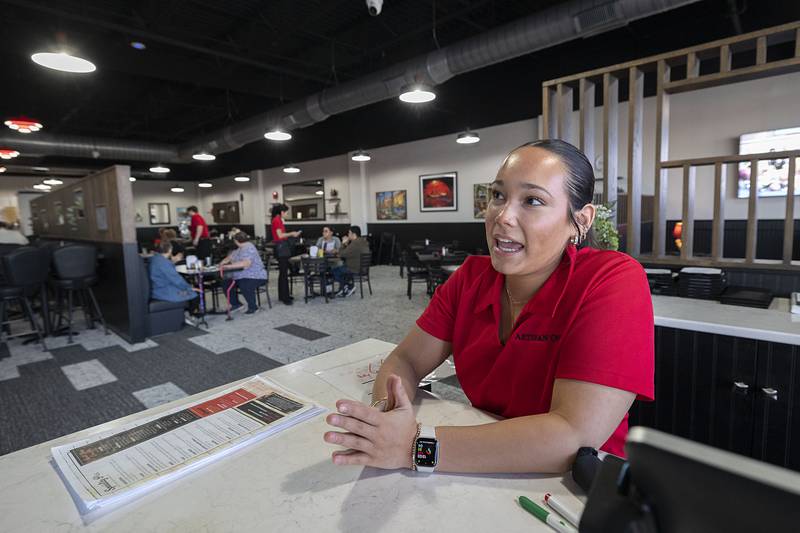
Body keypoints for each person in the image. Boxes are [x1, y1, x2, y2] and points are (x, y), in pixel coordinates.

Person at [324, 139, 654, 473]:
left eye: (533, 200)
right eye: (498, 195)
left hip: (575, 485)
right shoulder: (469, 279)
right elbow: (406, 360)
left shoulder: (612, 279)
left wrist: (414, 445)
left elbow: (574, 436)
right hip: (479, 470)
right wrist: (384, 417)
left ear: (580, 220)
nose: (503, 216)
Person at [148, 241, 201, 325]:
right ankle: (187, 315)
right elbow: (177, 280)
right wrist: (189, 288)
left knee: (192, 292)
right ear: (170, 250)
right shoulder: (164, 263)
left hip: (158, 290)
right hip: (166, 292)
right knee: (195, 295)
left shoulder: (156, 259)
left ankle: (186, 313)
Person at [220, 232, 268, 314]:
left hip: (256, 276)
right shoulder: (239, 249)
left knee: (244, 283)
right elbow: (230, 257)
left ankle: (253, 307)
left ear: (236, 241)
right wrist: (222, 263)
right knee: (225, 282)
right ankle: (236, 304)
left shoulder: (249, 248)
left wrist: (228, 266)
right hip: (241, 275)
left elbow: (246, 264)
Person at [271, 204, 301, 305]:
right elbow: (280, 235)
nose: (287, 214)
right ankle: (285, 298)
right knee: (284, 274)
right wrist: (292, 233)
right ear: (282, 212)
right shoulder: (277, 220)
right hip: (281, 248)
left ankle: (282, 295)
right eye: (287, 212)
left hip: (280, 248)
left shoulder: (276, 219)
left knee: (282, 273)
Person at [332, 226, 369, 297]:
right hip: (361, 267)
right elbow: (350, 252)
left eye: (349, 233)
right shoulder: (362, 241)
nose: (348, 235)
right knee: (341, 268)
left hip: (354, 268)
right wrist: (346, 245)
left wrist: (343, 243)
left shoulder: (355, 243)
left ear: (353, 234)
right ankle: (345, 287)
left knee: (334, 270)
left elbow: (342, 254)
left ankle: (348, 286)